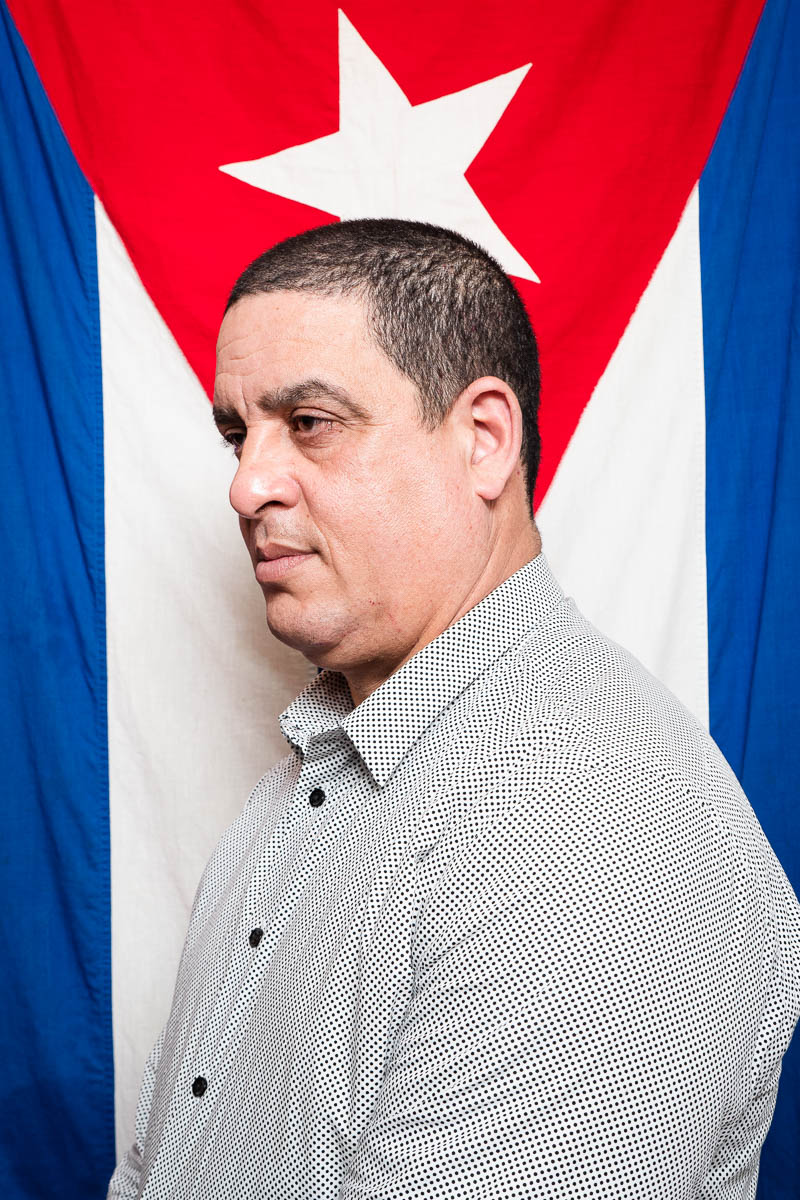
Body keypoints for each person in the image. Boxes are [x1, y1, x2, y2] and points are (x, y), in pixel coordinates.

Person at [108, 219, 800, 1200]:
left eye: (308, 422)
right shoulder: (309, 782)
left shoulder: (603, 827)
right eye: (237, 432)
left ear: (482, 440)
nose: (246, 484)